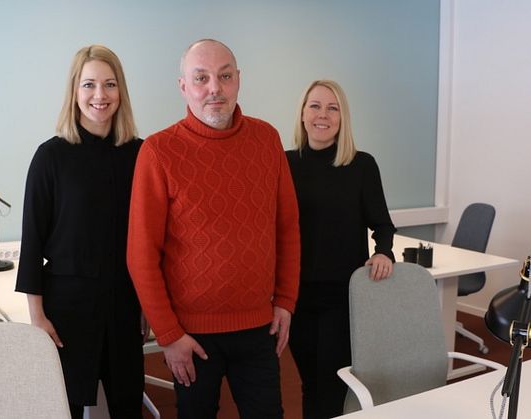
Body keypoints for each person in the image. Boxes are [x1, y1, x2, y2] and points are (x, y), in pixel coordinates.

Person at [127, 39, 300, 418]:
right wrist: (169, 337)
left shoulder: (267, 140)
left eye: (224, 76)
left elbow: (287, 228)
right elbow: (141, 256)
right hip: (190, 337)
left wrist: (286, 300)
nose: (214, 88)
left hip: (259, 327)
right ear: (183, 86)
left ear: (238, 80)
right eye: (201, 78)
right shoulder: (158, 151)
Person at [15, 45, 145, 419]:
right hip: (66, 309)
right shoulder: (50, 157)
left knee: (126, 405)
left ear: (121, 91)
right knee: (64, 407)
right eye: (89, 85)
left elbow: (151, 239)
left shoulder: (141, 154)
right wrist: (37, 317)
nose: (99, 96)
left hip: (124, 304)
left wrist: (149, 303)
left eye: (109, 84)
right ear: (74, 91)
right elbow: (32, 242)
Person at [285, 80, 396, 418]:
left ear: (342, 117)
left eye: (332, 108)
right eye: (315, 106)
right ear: (303, 114)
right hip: (297, 296)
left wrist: (383, 252)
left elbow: (382, 223)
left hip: (343, 295)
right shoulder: (283, 163)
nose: (323, 115)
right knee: (308, 383)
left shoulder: (362, 165)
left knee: (333, 382)